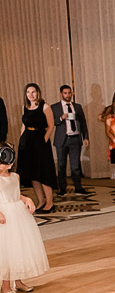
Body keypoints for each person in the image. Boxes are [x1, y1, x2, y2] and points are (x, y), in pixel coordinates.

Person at [0, 144, 48, 293]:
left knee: (17, 247)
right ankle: (5, 284)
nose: (7, 165)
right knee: (5, 250)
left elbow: (15, 193)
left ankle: (18, 280)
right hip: (4, 216)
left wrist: (26, 198)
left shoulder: (15, 177)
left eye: (9, 161)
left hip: (17, 214)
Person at [17, 83, 57, 214]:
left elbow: (51, 125)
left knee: (43, 172)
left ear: (37, 93)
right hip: (28, 142)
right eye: (28, 92)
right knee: (33, 174)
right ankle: (41, 201)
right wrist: (21, 141)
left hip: (40, 140)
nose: (30, 94)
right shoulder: (26, 107)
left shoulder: (45, 106)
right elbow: (24, 125)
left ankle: (50, 203)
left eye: (33, 92)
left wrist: (44, 140)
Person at [50, 85, 90, 196]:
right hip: (62, 140)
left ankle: (78, 187)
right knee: (61, 165)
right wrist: (60, 118)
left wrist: (85, 137)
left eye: (69, 93)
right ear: (61, 94)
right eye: (65, 93)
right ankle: (62, 188)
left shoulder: (77, 106)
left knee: (75, 165)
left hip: (75, 139)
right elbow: (51, 122)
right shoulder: (55, 107)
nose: (68, 95)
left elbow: (83, 122)